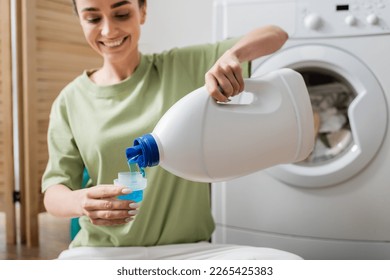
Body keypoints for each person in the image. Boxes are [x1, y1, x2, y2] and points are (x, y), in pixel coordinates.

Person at [42, 0, 300, 259]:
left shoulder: (182, 67)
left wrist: (233, 55)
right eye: (93, 19)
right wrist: (80, 203)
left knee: (287, 263)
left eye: (121, 14)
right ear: (80, 21)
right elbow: (54, 192)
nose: (109, 31)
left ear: (142, 12)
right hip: (102, 251)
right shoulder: (71, 100)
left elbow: (276, 34)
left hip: (189, 251)